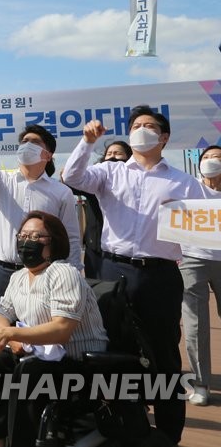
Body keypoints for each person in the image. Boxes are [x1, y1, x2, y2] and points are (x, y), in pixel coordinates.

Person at [62, 106, 208, 444]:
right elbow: (73, 177)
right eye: (137, 125)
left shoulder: (184, 183)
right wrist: (86, 143)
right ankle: (118, 426)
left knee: (164, 355)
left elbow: (205, 227)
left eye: (150, 126)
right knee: (111, 348)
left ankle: (169, 435)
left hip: (159, 276)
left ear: (164, 137)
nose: (142, 130)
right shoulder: (110, 172)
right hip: (112, 271)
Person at [0, 211, 108, 447]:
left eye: (36, 237)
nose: (26, 242)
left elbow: (61, 329)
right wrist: (9, 338)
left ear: (53, 243)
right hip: (39, 355)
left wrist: (11, 333)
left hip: (79, 364)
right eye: (23, 236)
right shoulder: (19, 277)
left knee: (29, 372)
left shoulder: (63, 273)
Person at [0, 112, 81, 304]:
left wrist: (74, 273)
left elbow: (72, 237)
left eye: (34, 142)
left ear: (48, 155)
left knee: (34, 329)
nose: (27, 145)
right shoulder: (0, 180)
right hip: (3, 271)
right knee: (1, 328)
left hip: (43, 273)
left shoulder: (61, 192)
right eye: (24, 141)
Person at [181, 145, 221, 406]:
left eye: (216, 157)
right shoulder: (188, 188)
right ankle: (200, 382)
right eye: (206, 157)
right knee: (195, 324)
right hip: (192, 258)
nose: (210, 161)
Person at [75, 140, 131, 279]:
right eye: (109, 153)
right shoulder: (96, 180)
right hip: (96, 247)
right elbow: (72, 182)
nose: (113, 156)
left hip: (126, 249)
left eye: (118, 153)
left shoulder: (135, 181)